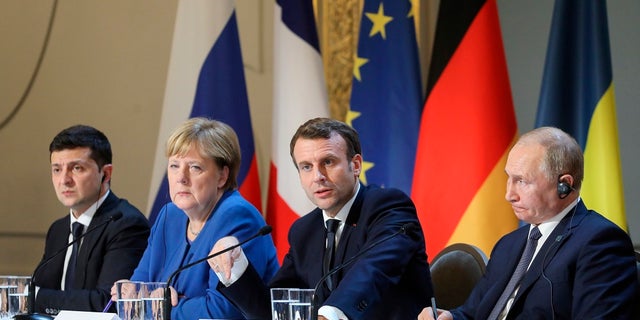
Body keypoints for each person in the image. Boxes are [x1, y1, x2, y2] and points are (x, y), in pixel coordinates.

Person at [210, 117, 433, 319]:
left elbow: (373, 271)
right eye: (306, 167)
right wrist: (236, 264)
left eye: (328, 162)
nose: (318, 177)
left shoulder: (388, 207)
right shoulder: (304, 231)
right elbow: (273, 311)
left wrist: (329, 315)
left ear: (355, 165)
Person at [419, 127, 640, 320]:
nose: (509, 194)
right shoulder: (508, 245)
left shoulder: (600, 242)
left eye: (522, 181)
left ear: (564, 185)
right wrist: (450, 317)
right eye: (509, 177)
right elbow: (474, 313)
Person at [115, 117, 279, 319]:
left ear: (222, 176)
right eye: (174, 165)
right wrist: (142, 297)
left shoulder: (237, 217)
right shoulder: (169, 216)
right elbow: (136, 292)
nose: (181, 177)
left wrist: (164, 306)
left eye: (195, 167)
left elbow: (222, 312)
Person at [32, 125, 150, 315]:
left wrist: (31, 297)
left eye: (76, 168)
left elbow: (106, 302)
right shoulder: (59, 229)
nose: (64, 180)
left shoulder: (127, 224)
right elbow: (39, 287)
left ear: (106, 174)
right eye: (57, 169)